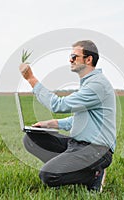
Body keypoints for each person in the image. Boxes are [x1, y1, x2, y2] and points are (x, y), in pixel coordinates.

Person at [19, 40, 116, 192]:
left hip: (96, 150)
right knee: (32, 139)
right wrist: (50, 124)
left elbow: (58, 105)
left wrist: (31, 79)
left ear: (88, 59)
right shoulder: (88, 83)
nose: (70, 60)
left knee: (49, 175)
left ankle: (94, 175)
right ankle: (72, 169)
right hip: (77, 143)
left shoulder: (97, 85)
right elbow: (81, 119)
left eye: (74, 56)